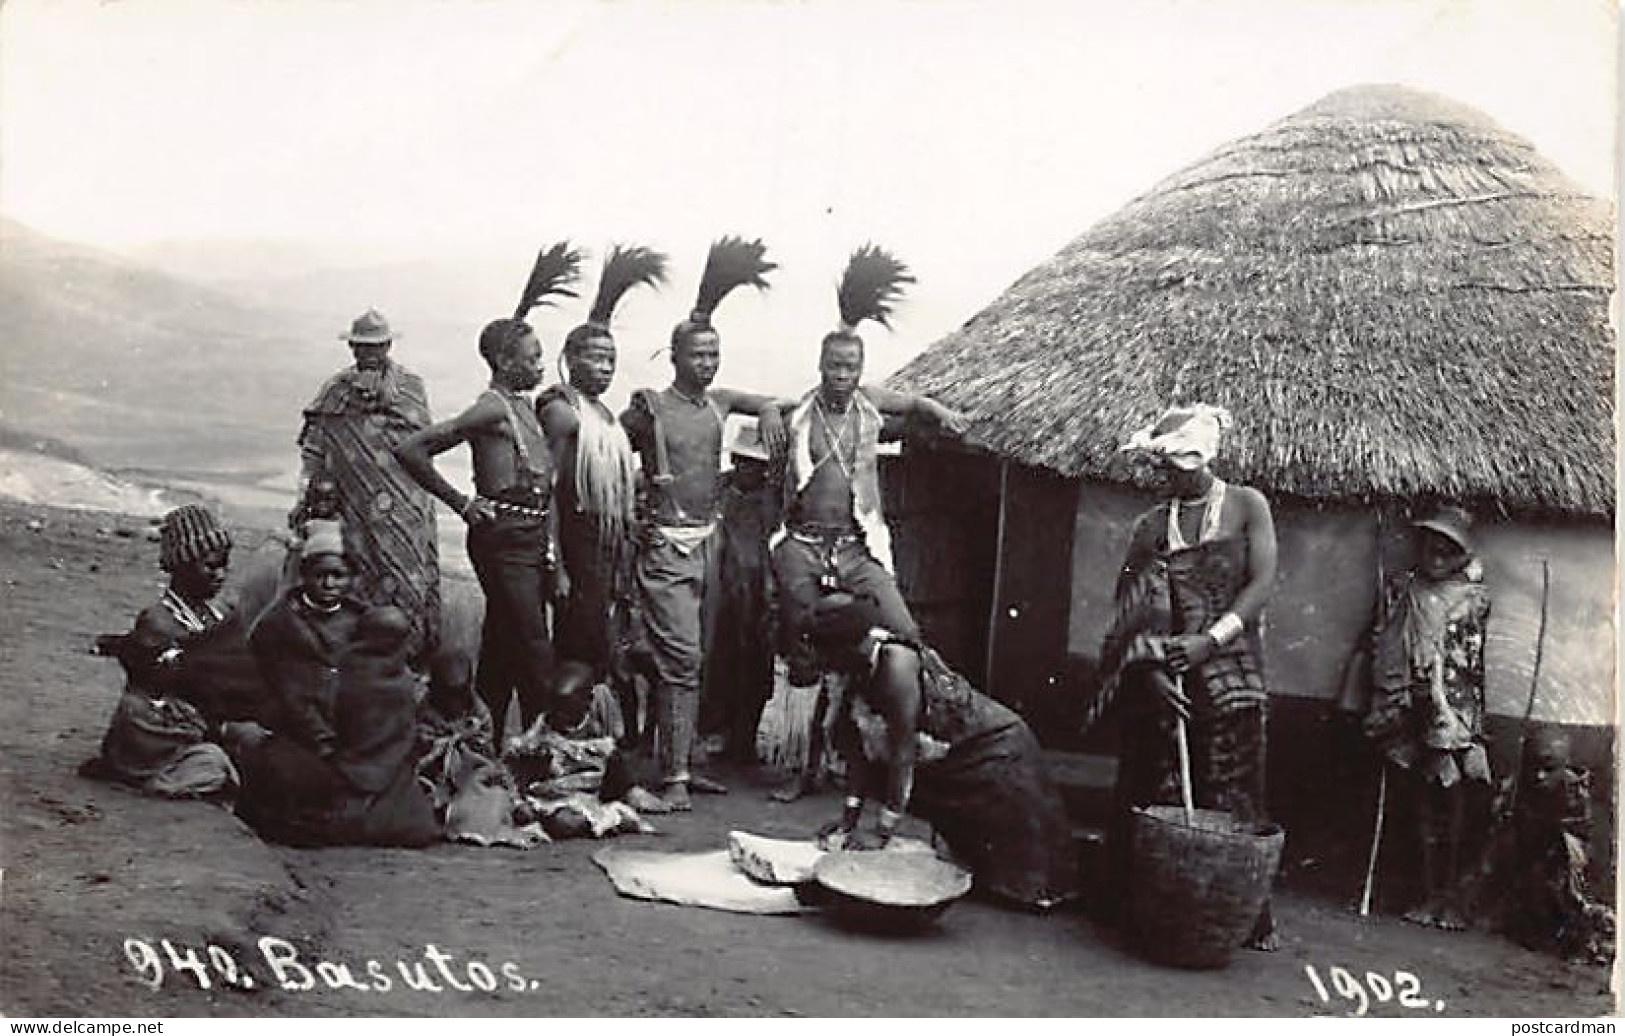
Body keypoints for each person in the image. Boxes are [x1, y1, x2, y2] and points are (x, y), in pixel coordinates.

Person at [1097, 403, 1280, 949]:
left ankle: (1244, 912)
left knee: (1234, 784)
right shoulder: (1151, 525)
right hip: (1168, 664)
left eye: (1180, 465)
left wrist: (1211, 640)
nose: (1171, 476)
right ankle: (1151, 902)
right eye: (1166, 468)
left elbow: (1263, 582)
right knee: (1158, 783)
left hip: (1229, 661)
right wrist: (1152, 667)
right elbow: (1129, 607)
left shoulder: (1248, 506)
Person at [619, 236, 788, 810]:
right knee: (681, 658)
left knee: (704, 659)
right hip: (666, 545)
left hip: (708, 544)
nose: (707, 363)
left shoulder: (719, 404)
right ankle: (672, 779)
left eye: (714, 354)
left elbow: (775, 401)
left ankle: (682, 765)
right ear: (674, 358)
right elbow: (611, 449)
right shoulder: (650, 407)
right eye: (697, 355)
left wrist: (765, 408)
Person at [395, 243, 582, 740]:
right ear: (504, 361)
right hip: (501, 539)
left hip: (529, 539)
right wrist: (461, 502)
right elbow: (412, 449)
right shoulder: (491, 409)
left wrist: (555, 561)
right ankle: (554, 756)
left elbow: (546, 491)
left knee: (502, 644)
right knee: (534, 648)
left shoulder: (522, 408)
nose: (542, 364)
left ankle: (486, 742)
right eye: (532, 357)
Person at [808, 592, 1079, 910]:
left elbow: (902, 754)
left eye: (825, 655)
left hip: (997, 748)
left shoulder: (896, 665)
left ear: (848, 647)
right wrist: (848, 820)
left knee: (1024, 875)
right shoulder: (851, 669)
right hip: (950, 750)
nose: (821, 663)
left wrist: (882, 832)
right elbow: (858, 753)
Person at [765, 244, 966, 671]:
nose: (842, 375)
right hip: (801, 544)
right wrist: (767, 409)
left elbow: (912, 404)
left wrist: (940, 412)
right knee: (801, 636)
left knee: (905, 632)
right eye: (835, 365)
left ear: (861, 368)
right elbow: (765, 408)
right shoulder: (803, 412)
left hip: (856, 548)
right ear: (821, 364)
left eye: (851, 367)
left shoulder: (869, 403)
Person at [538, 244, 667, 686]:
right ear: (571, 359)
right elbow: (548, 487)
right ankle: (560, 736)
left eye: (611, 359)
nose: (605, 367)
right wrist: (556, 564)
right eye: (595, 357)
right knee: (577, 643)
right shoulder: (561, 409)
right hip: (577, 540)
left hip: (606, 547)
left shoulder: (605, 417)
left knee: (601, 643)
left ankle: (586, 736)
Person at [1363, 504, 1493, 930]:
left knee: (1450, 798)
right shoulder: (1404, 589)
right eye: (1430, 544)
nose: (1436, 553)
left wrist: (1451, 715)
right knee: (1421, 799)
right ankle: (1424, 890)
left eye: (1447, 547)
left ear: (1460, 554)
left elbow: (1469, 661)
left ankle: (1447, 895)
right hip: (1410, 701)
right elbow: (1384, 639)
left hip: (1453, 710)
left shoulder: (1474, 598)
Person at [293, 308, 440, 660]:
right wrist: (306, 495)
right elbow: (315, 447)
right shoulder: (334, 391)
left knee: (407, 581)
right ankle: (358, 662)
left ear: (388, 346)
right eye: (361, 347)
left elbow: (423, 445)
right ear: (352, 348)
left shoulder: (411, 388)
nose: (368, 354)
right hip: (353, 507)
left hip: (406, 510)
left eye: (376, 346)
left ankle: (410, 660)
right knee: (355, 576)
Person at [83, 505, 246, 802]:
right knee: (216, 764)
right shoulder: (158, 621)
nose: (220, 575)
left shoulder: (217, 613)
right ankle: (158, 775)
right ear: (181, 566)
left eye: (224, 565)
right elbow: (186, 686)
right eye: (210, 566)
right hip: (155, 728)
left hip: (193, 719)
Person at [699, 426, 784, 765]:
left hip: (759, 591)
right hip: (720, 590)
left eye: (758, 464)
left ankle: (745, 739)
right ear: (735, 460)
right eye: (746, 462)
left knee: (756, 666)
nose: (752, 469)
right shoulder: (719, 489)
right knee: (718, 662)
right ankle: (716, 734)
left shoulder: (772, 498)